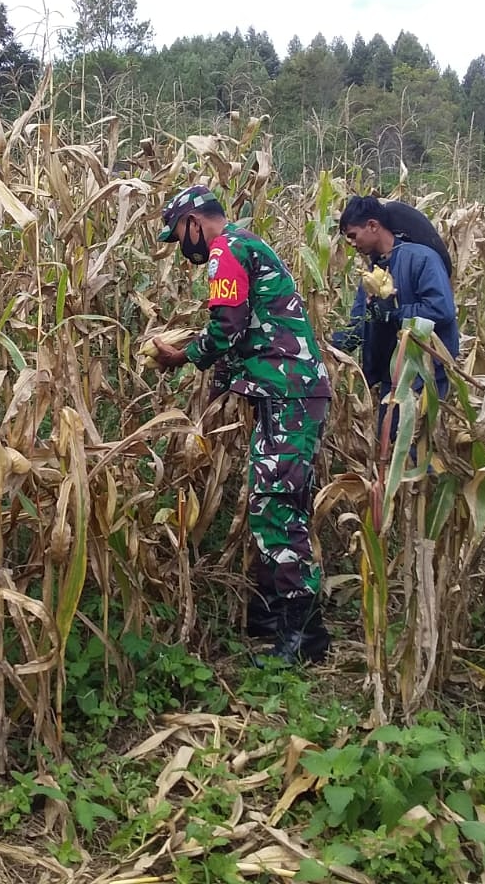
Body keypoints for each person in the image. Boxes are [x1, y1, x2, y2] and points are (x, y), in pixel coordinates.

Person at [151, 185, 332, 665]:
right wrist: (218, 389)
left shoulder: (225, 250)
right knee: (275, 502)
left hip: (287, 393)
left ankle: (301, 640)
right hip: (288, 392)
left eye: (179, 235)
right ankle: (286, 622)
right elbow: (245, 332)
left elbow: (226, 327)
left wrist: (182, 358)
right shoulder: (246, 245)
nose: (182, 246)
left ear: (194, 221)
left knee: (275, 508)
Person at [332, 196, 458, 415]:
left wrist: (395, 314)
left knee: (412, 445)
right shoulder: (373, 273)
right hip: (391, 378)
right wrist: (329, 346)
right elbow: (362, 323)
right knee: (388, 443)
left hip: (423, 375)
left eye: (353, 235)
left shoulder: (422, 259)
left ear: (372, 225)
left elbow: (441, 310)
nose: (350, 244)